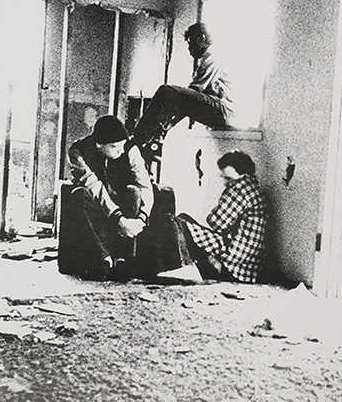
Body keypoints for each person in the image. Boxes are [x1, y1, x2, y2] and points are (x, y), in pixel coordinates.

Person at [132, 23, 236, 165]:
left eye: (191, 43)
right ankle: (149, 140)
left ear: (202, 38)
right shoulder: (209, 58)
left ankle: (137, 140)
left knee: (166, 91)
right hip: (222, 113)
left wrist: (170, 122)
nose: (189, 49)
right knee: (173, 97)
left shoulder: (214, 55)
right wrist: (168, 125)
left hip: (225, 112)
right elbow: (187, 103)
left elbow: (193, 92)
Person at [67, 115, 154, 280]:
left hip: (124, 203)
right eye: (115, 147)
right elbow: (94, 187)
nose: (121, 151)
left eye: (122, 146)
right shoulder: (78, 152)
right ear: (99, 145)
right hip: (97, 204)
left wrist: (141, 219)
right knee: (79, 194)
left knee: (134, 192)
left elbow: (145, 186)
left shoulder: (130, 149)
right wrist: (118, 219)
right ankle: (102, 257)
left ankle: (124, 257)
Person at [176, 151, 268, 284]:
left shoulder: (240, 189)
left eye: (228, 179)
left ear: (243, 175)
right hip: (249, 267)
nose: (226, 183)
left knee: (177, 223)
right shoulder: (253, 187)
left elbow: (216, 223)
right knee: (184, 219)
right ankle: (191, 266)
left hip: (234, 267)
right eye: (224, 178)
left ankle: (185, 267)